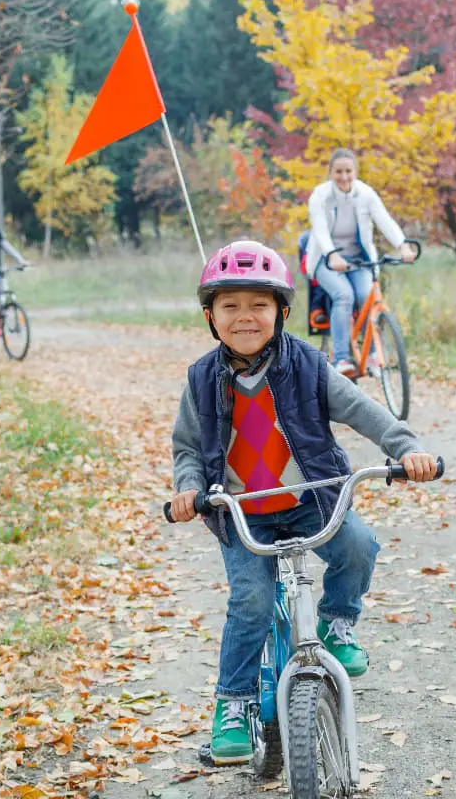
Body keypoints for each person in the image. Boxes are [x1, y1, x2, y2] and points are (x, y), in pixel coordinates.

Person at [168, 240, 438, 765]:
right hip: (241, 512)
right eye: (230, 306)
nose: (245, 317)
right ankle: (234, 704)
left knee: (358, 544)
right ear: (209, 316)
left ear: (281, 312)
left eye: (258, 305)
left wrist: (407, 449)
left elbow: (361, 409)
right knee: (249, 601)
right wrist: (187, 488)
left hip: (310, 498)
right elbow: (187, 447)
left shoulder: (309, 367)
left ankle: (337, 623)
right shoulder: (201, 380)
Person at [305, 148, 419, 377]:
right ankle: (341, 359)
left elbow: (385, 221)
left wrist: (403, 245)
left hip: (359, 259)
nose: (344, 177)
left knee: (367, 296)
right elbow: (319, 231)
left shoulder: (366, 194)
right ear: (330, 173)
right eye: (339, 171)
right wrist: (331, 255)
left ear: (355, 172)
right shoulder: (320, 196)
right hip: (325, 259)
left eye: (348, 171)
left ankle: (375, 356)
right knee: (343, 295)